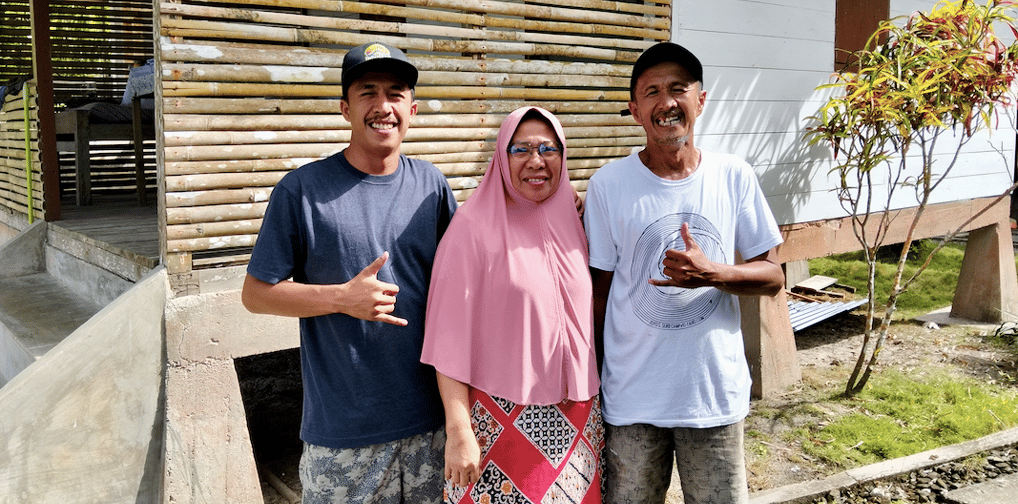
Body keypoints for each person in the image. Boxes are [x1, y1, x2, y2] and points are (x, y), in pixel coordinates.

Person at [241, 41, 458, 503]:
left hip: (430, 428)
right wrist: (342, 298)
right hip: (344, 437)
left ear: (412, 109)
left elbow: (467, 272)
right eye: (368, 92)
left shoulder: (431, 186)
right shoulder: (302, 191)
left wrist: (565, 203)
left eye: (396, 93)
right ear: (345, 107)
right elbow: (256, 294)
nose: (383, 107)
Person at [583, 42, 785, 503]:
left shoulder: (734, 176)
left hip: (711, 394)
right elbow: (599, 292)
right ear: (635, 110)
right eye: (651, 91)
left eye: (678, 88)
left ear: (701, 100)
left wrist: (714, 273)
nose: (665, 102)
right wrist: (591, 377)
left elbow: (774, 277)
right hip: (632, 396)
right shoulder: (608, 185)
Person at [421, 106, 603, 504]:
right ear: (501, 159)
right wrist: (459, 430)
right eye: (520, 150)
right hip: (500, 422)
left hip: (577, 421)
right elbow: (447, 341)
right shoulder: (471, 228)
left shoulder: (574, 219)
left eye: (548, 149)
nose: (536, 161)